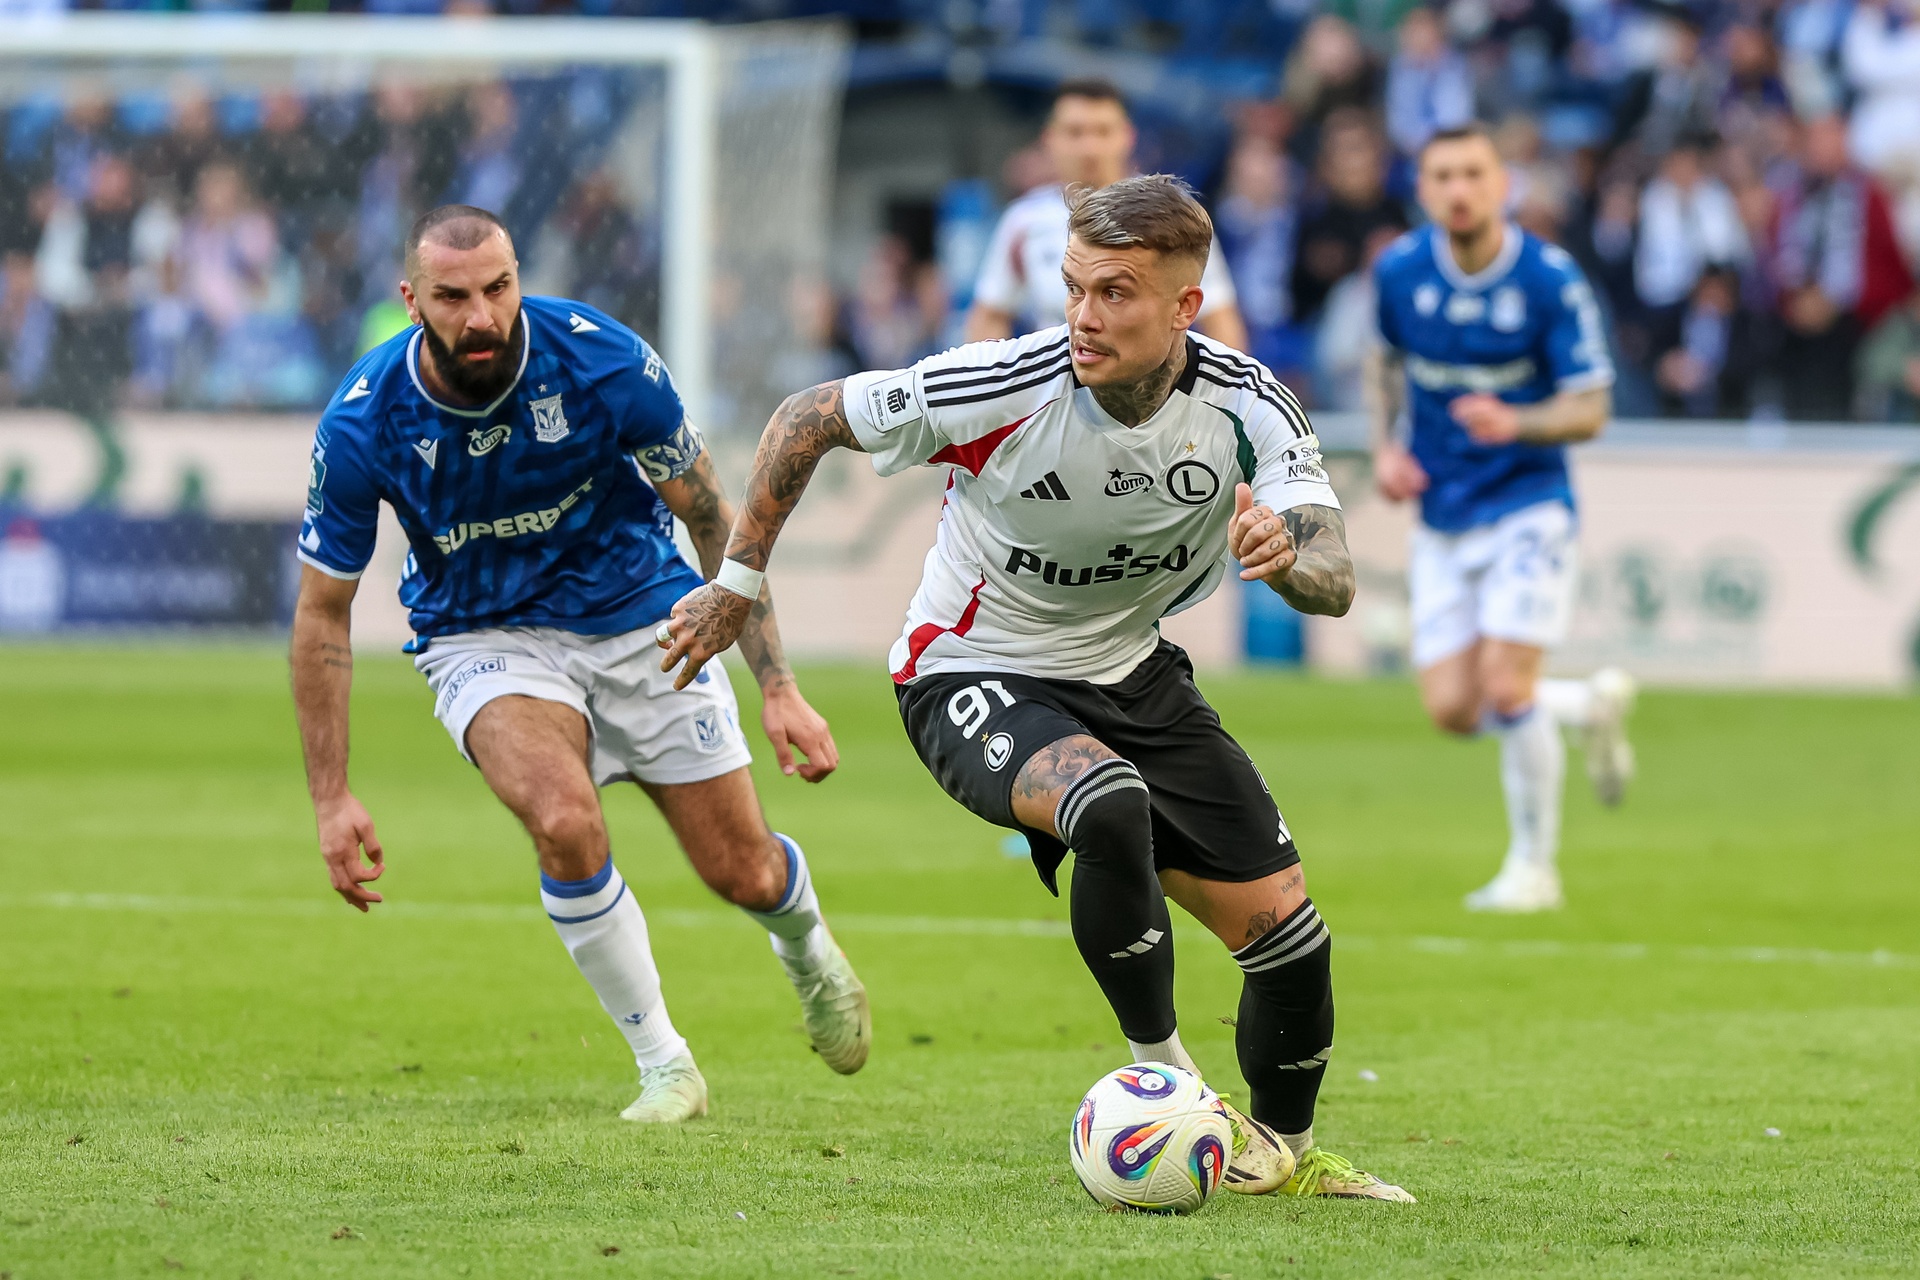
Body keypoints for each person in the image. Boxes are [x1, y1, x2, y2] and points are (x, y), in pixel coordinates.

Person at [662, 175, 1413, 1203]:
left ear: (1185, 306)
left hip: (1131, 672)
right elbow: (807, 416)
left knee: (1290, 938)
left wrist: (1287, 558)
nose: (1082, 317)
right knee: (1107, 801)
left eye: (1115, 293)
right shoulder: (1004, 382)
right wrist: (737, 586)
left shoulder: (1247, 404)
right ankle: (1173, 1077)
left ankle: (1279, 1153)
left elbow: (1334, 575)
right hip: (969, 668)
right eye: (1073, 289)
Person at [288, 205, 869, 1124]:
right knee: (564, 821)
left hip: (646, 617)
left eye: (497, 289)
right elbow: (322, 614)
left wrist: (780, 686)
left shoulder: (603, 362)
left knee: (743, 872)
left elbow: (717, 519)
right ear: (411, 301)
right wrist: (331, 796)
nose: (481, 316)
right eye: (452, 297)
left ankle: (805, 948)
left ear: (519, 278)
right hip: (485, 637)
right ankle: (665, 1065)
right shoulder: (366, 422)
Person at [1365, 124, 1637, 914]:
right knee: (1454, 708)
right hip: (1443, 512)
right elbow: (1383, 362)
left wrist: (1518, 423)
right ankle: (1585, 707)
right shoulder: (1399, 270)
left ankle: (1534, 870)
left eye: (1473, 174)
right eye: (1442, 175)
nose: (1459, 189)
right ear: (1423, 188)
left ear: (1501, 184)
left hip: (1528, 505)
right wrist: (1387, 449)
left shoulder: (1550, 280)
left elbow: (1592, 408)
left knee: (1508, 686)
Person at [965, 80, 1249, 353]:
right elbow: (990, 314)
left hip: (1148, 392)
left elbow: (1220, 316)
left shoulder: (1174, 216)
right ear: (1050, 140)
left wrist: (1225, 398)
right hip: (1059, 391)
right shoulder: (1023, 221)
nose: (1090, 148)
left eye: (1102, 132)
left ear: (1127, 137)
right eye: (1075, 132)